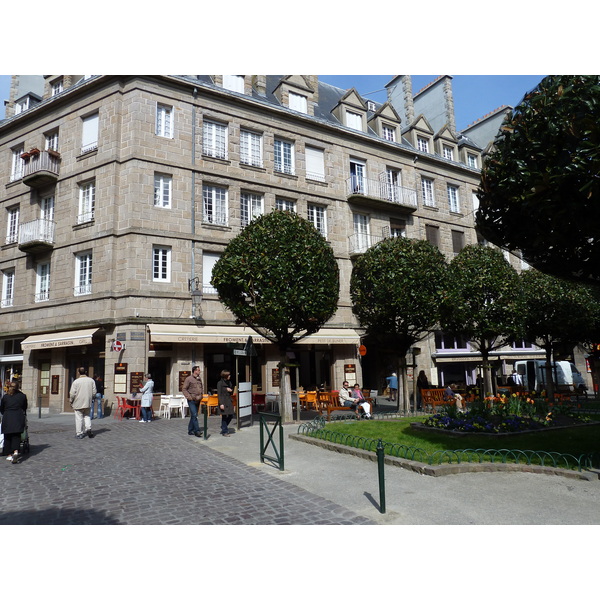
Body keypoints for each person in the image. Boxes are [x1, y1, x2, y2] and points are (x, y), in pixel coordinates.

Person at [1, 381, 28, 464]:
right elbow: (25, 407)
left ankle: (9, 454)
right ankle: (16, 452)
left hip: (8, 416)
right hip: (18, 417)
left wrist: (5, 413)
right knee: (16, 436)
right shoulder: (22, 396)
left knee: (7, 436)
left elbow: (1, 408)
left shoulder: (5, 397)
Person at [69, 367, 96, 439]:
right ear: (86, 372)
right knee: (87, 416)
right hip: (87, 402)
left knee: (79, 418)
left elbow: (72, 393)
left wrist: (71, 401)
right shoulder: (91, 381)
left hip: (78, 402)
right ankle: (88, 428)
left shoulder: (76, 382)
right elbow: (94, 392)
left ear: (78, 373)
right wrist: (92, 398)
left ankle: (79, 433)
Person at [182, 365, 203, 437]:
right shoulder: (189, 379)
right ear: (195, 371)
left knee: (194, 415)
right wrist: (189, 397)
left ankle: (190, 430)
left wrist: (201, 395)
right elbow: (184, 389)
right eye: (198, 370)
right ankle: (197, 431)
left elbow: (201, 388)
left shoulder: (199, 379)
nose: (199, 371)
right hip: (191, 400)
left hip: (198, 399)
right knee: (194, 415)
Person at [217, 370, 235, 436]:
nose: (229, 376)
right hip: (223, 401)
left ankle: (223, 426)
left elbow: (231, 391)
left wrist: (230, 390)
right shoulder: (220, 383)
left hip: (229, 400)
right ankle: (225, 431)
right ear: (225, 376)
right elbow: (219, 394)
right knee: (224, 416)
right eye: (228, 375)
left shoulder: (229, 382)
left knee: (231, 415)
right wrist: (221, 403)